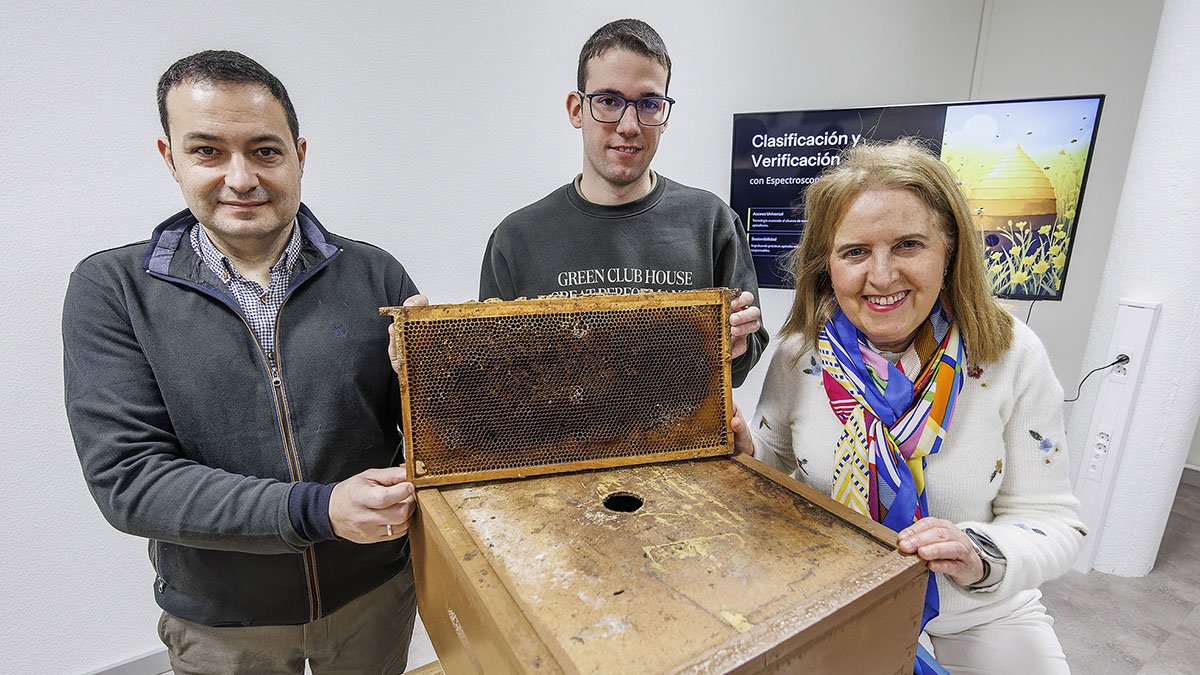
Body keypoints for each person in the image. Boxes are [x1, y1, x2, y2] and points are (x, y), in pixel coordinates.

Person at [63, 50, 424, 674]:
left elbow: (434, 439)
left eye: (265, 151)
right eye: (208, 151)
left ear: (299, 155)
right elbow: (129, 480)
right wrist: (317, 510)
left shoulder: (375, 273)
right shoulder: (113, 290)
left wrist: (445, 371)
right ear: (170, 157)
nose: (241, 178)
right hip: (223, 624)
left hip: (374, 596)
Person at [734, 139, 1085, 674]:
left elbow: (1052, 520)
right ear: (827, 266)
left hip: (978, 610)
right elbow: (776, 462)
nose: (881, 276)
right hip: (836, 599)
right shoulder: (800, 355)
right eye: (855, 252)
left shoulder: (1011, 354)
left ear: (949, 250)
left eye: (908, 245)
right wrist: (745, 450)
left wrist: (978, 554)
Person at [478, 18, 768, 387]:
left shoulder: (711, 222)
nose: (629, 125)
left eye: (648, 104)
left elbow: (743, 360)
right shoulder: (516, 238)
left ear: (664, 116)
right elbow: (494, 377)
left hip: (682, 425)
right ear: (577, 109)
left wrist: (738, 345)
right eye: (609, 101)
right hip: (560, 426)